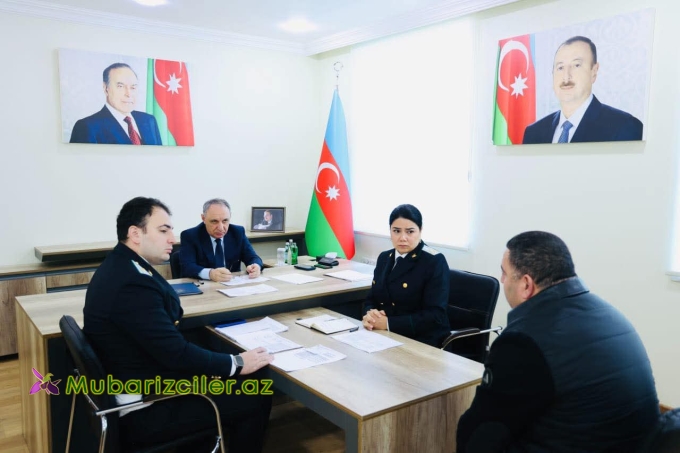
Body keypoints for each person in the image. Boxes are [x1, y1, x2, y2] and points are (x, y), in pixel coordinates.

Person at [83, 197, 274, 452]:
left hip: (141, 380)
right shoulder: (131, 284)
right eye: (164, 231)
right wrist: (236, 362)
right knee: (256, 391)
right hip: (145, 408)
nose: (172, 239)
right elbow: (175, 353)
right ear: (135, 233)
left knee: (232, 365)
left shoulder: (124, 265)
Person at [457, 231, 659, 453]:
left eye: (504, 273)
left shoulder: (522, 341)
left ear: (526, 285)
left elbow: (478, 434)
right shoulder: (611, 315)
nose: (502, 280)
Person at [522, 36, 643, 144]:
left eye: (576, 65)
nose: (566, 76)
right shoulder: (533, 132)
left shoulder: (625, 126)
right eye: (560, 67)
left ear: (594, 72)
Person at [362, 204, 450, 347]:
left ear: (420, 230)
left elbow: (435, 315)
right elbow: (371, 299)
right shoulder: (384, 258)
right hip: (385, 336)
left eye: (410, 232)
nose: (403, 238)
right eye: (396, 231)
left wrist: (389, 323)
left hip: (422, 340)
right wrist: (370, 315)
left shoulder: (434, 261)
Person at [70, 63, 162, 145]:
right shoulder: (86, 127)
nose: (128, 94)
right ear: (106, 89)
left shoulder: (149, 120)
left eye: (133, 87)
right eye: (120, 86)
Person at [180, 198, 263, 282]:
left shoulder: (237, 232)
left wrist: (256, 266)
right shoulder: (190, 236)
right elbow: (187, 267)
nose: (220, 228)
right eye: (214, 221)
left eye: (225, 221)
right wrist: (210, 274)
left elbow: (253, 257)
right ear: (203, 218)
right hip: (205, 286)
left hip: (232, 285)